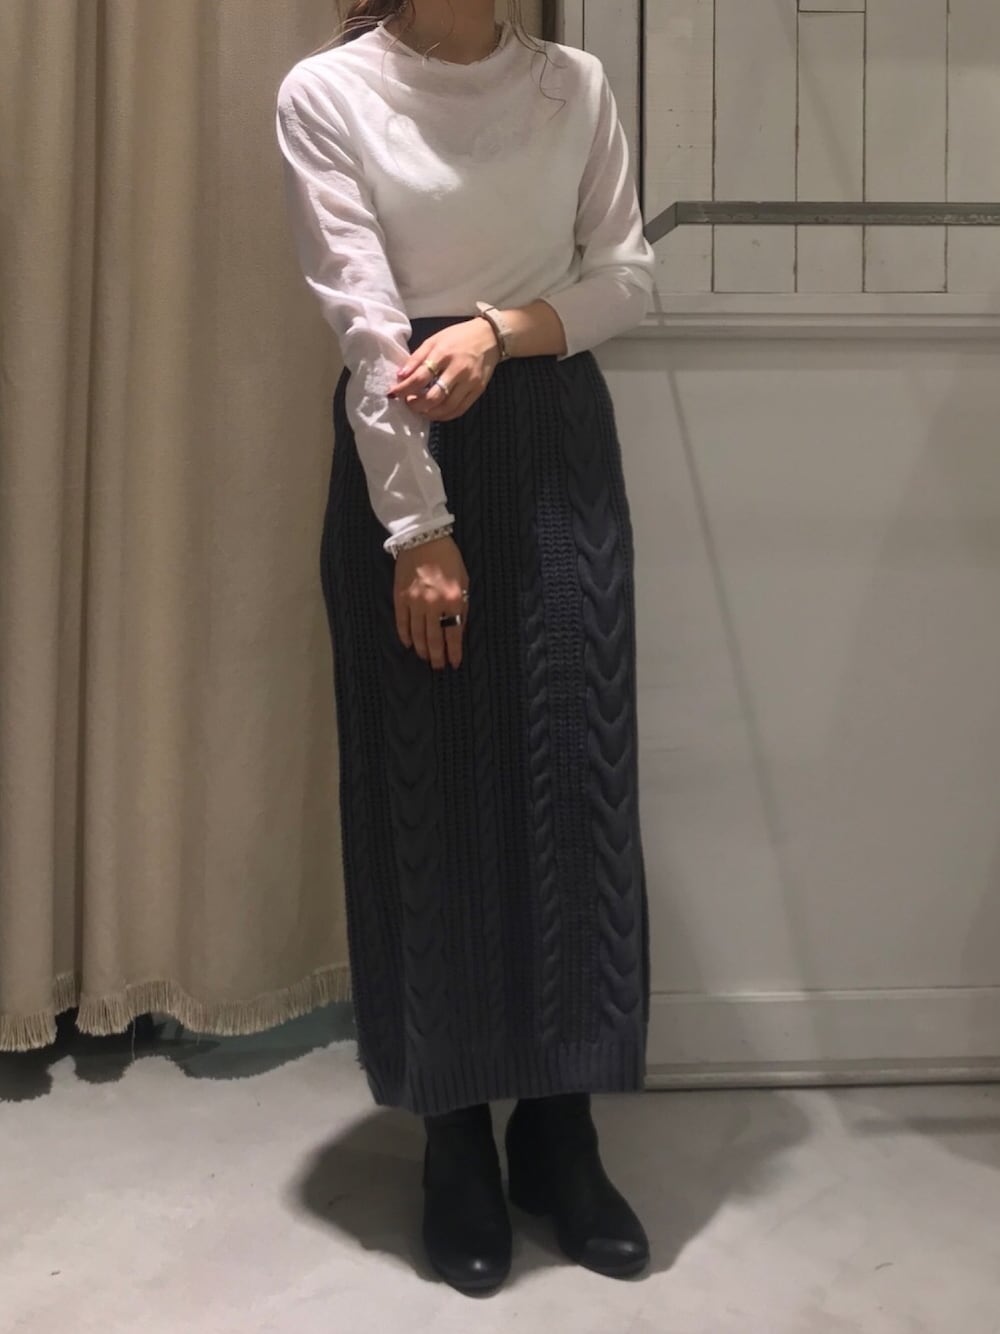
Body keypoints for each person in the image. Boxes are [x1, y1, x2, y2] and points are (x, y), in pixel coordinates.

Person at [275, 0, 655, 1296]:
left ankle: (562, 1132)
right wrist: (418, 528)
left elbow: (627, 279)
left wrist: (497, 330)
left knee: (572, 789)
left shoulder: (574, 86)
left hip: (553, 441)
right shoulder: (329, 93)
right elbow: (365, 323)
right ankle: (454, 1137)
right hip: (407, 444)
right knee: (428, 797)